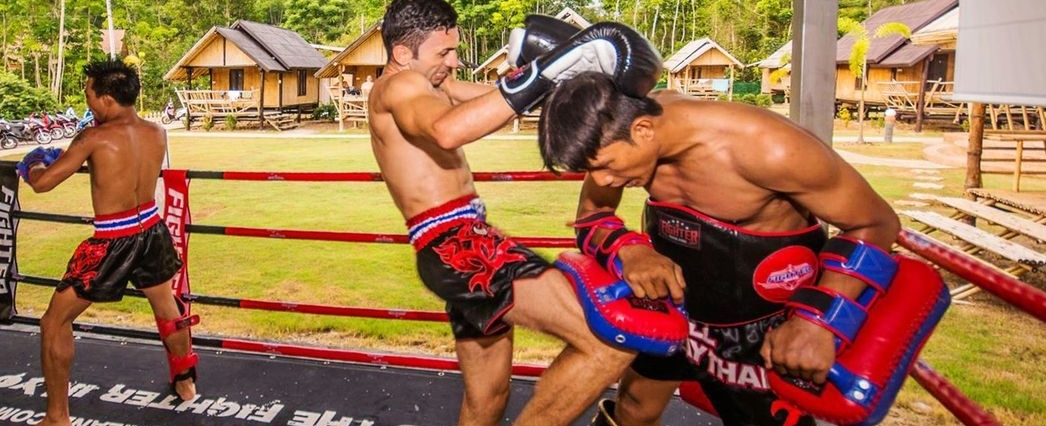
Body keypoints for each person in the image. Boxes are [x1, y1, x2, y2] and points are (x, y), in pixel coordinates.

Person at [537, 73, 903, 426]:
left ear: (643, 131)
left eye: (605, 168)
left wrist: (816, 324)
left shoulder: (769, 148)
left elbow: (875, 223)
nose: (601, 181)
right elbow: (592, 215)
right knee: (634, 406)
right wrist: (629, 249)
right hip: (679, 309)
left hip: (763, 325)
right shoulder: (619, 130)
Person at [368, 1, 664, 424]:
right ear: (401, 53)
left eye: (454, 51)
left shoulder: (433, 83)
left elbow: (502, 103)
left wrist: (557, 75)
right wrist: (546, 71)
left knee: (487, 397)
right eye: (443, 54)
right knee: (609, 341)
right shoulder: (398, 88)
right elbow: (446, 130)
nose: (453, 63)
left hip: (456, 250)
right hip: (460, 247)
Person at [19, 59, 197, 426]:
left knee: (54, 322)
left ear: (106, 98)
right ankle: (186, 383)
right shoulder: (157, 132)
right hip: (151, 229)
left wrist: (34, 163)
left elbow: (43, 183)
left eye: (89, 94)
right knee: (167, 308)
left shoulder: (93, 137)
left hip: (113, 240)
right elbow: (121, 167)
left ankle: (56, 417)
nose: (87, 102)